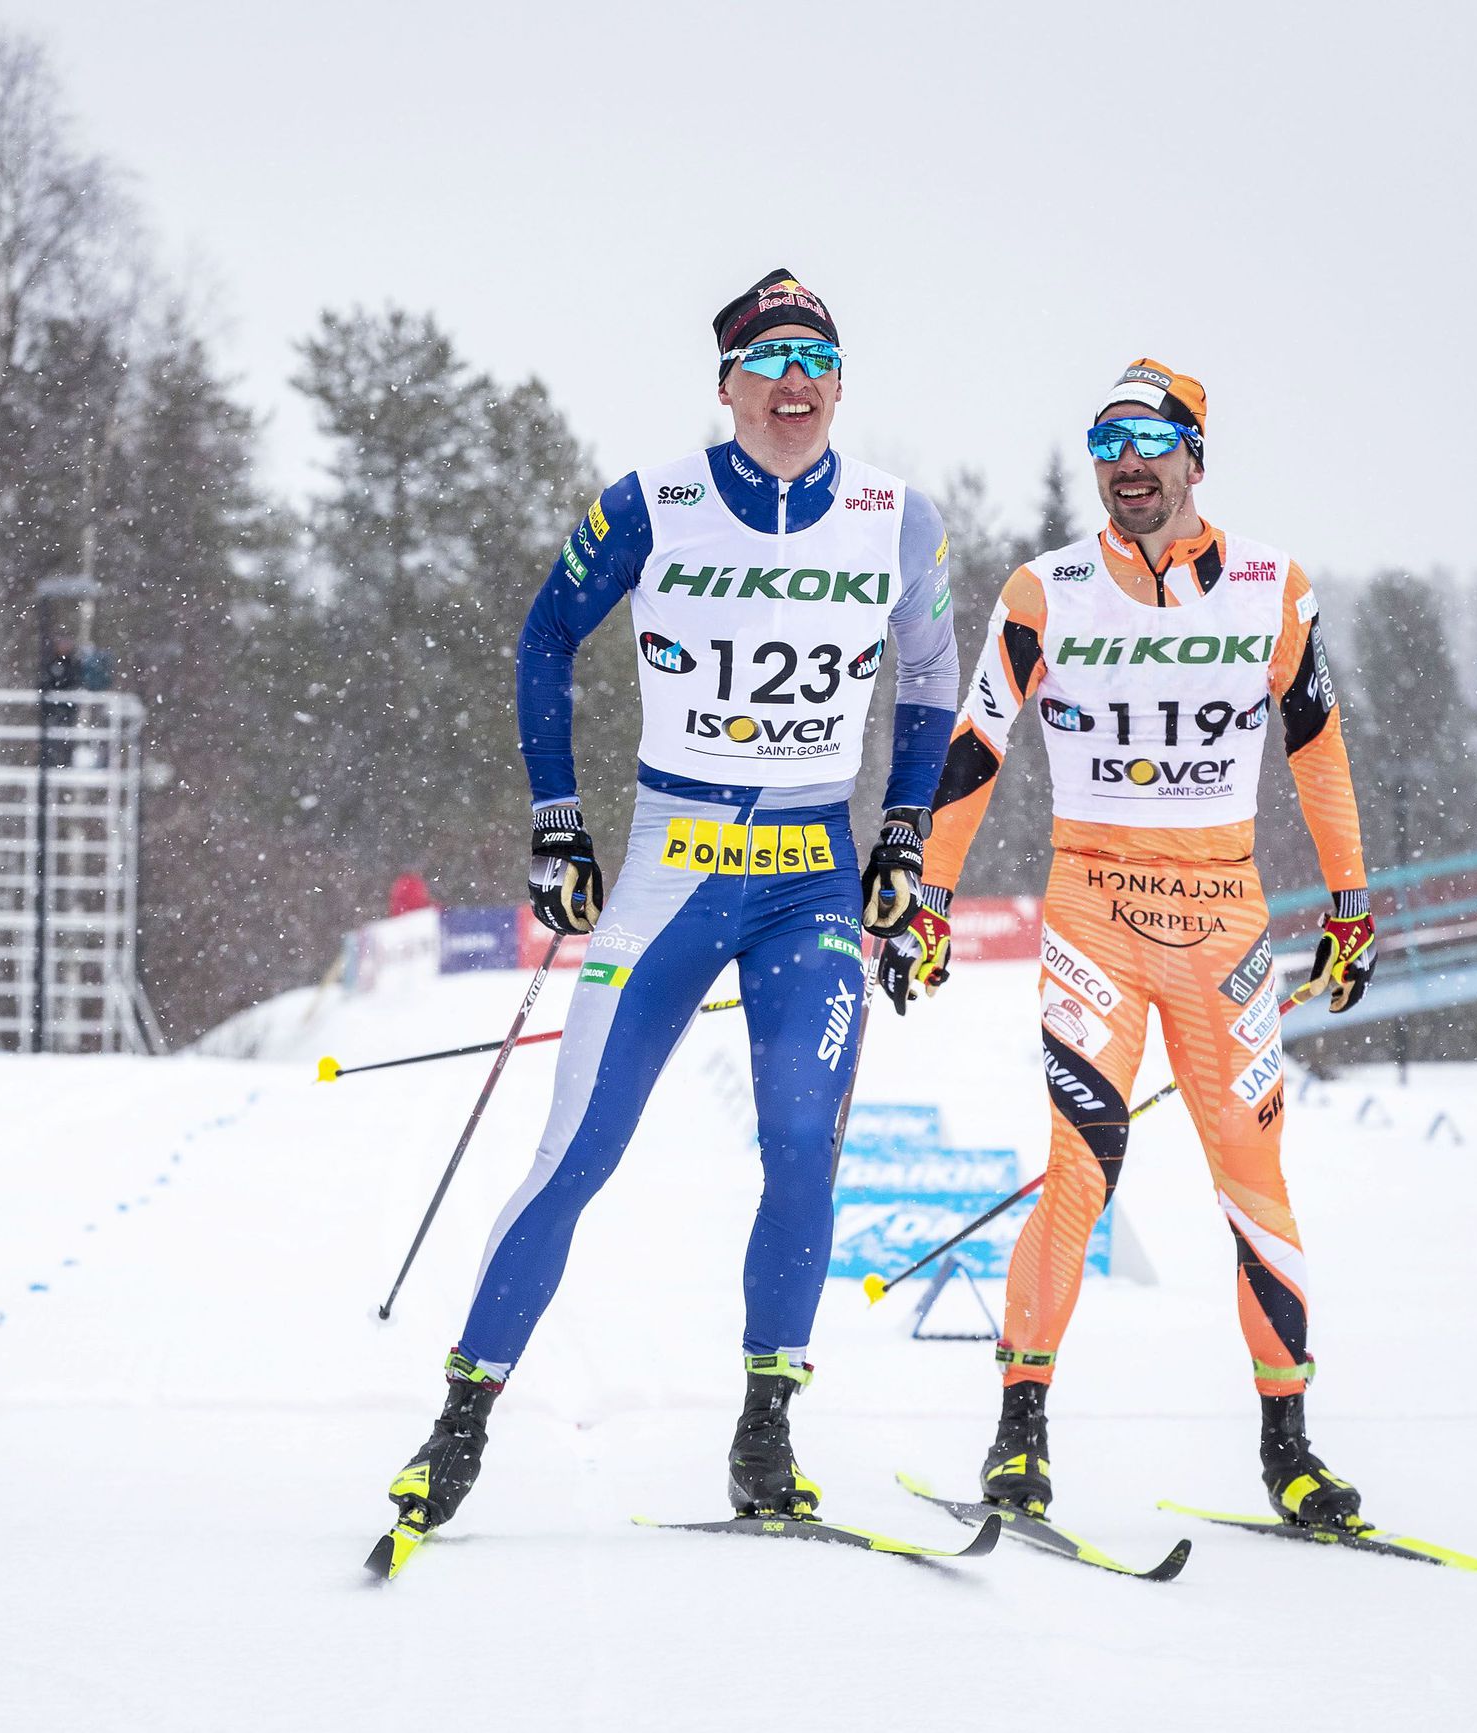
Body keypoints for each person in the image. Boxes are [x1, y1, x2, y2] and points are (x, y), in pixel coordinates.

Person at [377, 271, 960, 1555]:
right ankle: (457, 1426)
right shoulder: (652, 504)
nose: (794, 383)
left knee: (802, 1139)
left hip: (810, 873)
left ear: (840, 384)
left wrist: (905, 836)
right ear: (726, 384)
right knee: (577, 1152)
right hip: (669, 869)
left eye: (817, 359)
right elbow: (542, 639)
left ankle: (767, 1426)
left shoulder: (896, 519)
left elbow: (930, 686)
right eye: (769, 361)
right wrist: (553, 821)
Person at [881, 359, 1376, 1529]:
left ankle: (1288, 1448)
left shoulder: (1269, 585)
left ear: (1193, 458)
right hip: (1094, 910)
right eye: (1105, 440)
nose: (1125, 463)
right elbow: (975, 743)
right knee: (1078, 1168)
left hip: (1225, 926)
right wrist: (932, 894)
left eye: (1149, 440)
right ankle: (1017, 1435)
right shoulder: (1044, 590)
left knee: (1250, 1178)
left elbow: (1316, 749)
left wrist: (1350, 903)